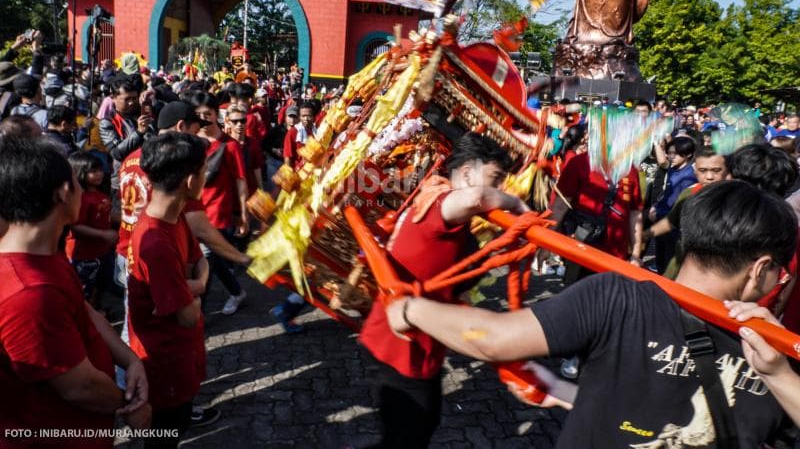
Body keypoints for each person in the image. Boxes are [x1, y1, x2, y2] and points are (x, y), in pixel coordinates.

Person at [386, 180, 797, 448]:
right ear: (761, 268)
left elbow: (491, 338)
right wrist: (780, 373)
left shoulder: (616, 297)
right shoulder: (778, 346)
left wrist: (412, 308)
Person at [359, 132, 529, 447]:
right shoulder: (442, 202)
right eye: (495, 179)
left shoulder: (437, 199)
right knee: (408, 436)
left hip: (413, 342)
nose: (499, 190)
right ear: (466, 174)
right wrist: (518, 205)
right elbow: (474, 198)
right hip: (400, 345)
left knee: (419, 427)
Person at [0, 138, 150, 447]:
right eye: (76, 181)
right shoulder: (28, 292)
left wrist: (131, 361)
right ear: (63, 192)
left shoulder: (46, 254)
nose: (84, 190)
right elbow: (80, 387)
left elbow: (83, 309)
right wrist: (130, 406)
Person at [127, 133, 209, 447]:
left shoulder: (172, 218)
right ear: (190, 180)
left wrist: (191, 285)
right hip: (164, 366)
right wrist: (199, 285)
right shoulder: (156, 242)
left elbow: (197, 259)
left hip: (180, 357)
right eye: (204, 172)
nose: (206, 178)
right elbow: (187, 315)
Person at [193, 93, 249, 315]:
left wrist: (243, 215)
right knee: (212, 258)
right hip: (192, 213)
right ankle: (236, 292)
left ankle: (199, 316)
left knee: (205, 261)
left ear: (217, 115)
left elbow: (241, 183)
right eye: (199, 115)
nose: (204, 119)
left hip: (217, 214)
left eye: (208, 114)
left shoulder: (230, 146)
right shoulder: (192, 141)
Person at [644, 147, 730, 279]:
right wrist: (643, 235)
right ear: (695, 170)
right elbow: (670, 222)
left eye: (716, 170)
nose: (709, 177)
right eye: (703, 171)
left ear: (727, 171)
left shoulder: (736, 199)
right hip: (680, 264)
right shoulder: (690, 193)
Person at [65, 151, 118, 302]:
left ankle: (97, 309)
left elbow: (104, 215)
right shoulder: (81, 198)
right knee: (84, 289)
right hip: (84, 255)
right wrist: (103, 234)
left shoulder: (99, 193)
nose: (100, 174)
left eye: (100, 169)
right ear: (80, 172)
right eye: (93, 171)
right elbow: (75, 226)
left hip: (102, 251)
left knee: (100, 284)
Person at [100, 74, 155, 218]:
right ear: (113, 98)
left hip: (148, 177)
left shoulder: (143, 113)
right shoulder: (107, 122)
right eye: (127, 99)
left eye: (134, 98)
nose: (131, 103)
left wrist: (152, 95)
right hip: (122, 181)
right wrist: (139, 132)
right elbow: (117, 153)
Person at [651, 136, 697, 274]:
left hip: (672, 224)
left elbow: (681, 205)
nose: (671, 156)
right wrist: (656, 141)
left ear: (688, 154)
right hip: (661, 216)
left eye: (675, 153)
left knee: (669, 259)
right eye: (669, 153)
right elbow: (662, 162)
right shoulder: (674, 168)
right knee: (660, 255)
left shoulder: (689, 176)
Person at [283, 101, 317, 168]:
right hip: (298, 172)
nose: (306, 119)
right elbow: (287, 157)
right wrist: (290, 177)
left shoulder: (317, 131)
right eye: (303, 116)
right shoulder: (292, 132)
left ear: (314, 117)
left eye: (309, 116)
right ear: (299, 117)